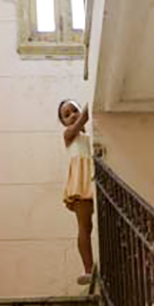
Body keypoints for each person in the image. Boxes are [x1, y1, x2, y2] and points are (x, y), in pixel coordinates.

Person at [58, 99, 95, 286]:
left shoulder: (92, 136)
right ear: (63, 123)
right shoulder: (69, 135)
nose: (72, 115)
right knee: (84, 226)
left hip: (95, 177)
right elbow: (84, 118)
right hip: (81, 181)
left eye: (75, 110)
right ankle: (88, 269)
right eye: (67, 114)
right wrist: (88, 106)